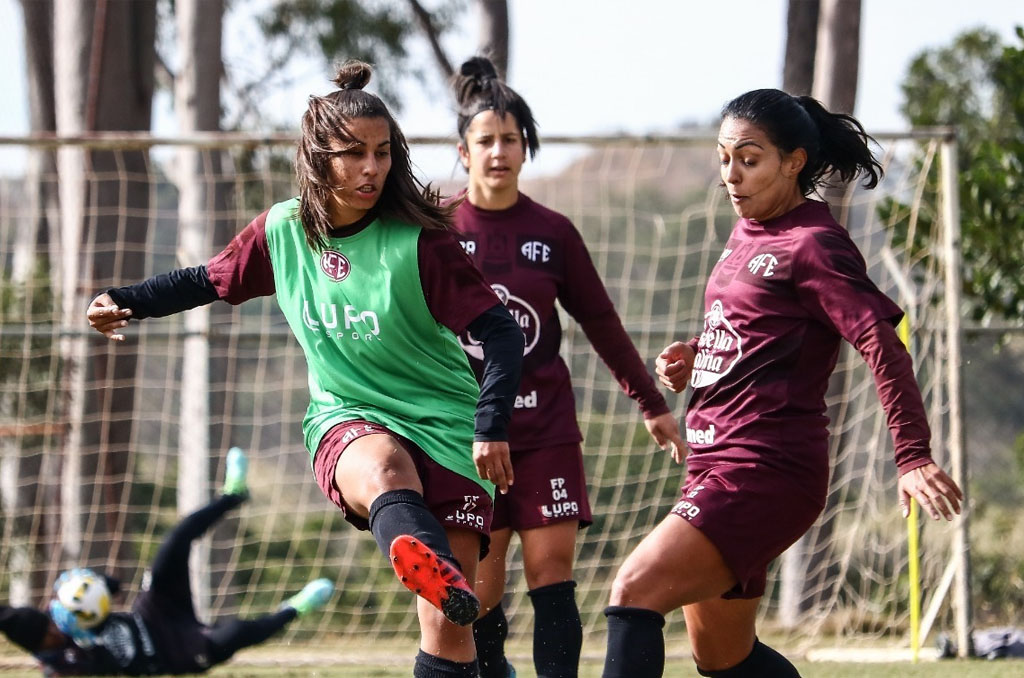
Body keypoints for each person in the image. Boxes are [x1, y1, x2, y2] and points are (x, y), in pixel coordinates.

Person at [85, 60, 525, 678]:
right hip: (348, 416)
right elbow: (204, 280)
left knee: (453, 629)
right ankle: (415, 550)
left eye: (383, 153)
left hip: (448, 425)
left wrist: (490, 423)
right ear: (320, 156)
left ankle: (437, 576)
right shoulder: (283, 231)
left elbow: (500, 334)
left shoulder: (419, 243)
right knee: (382, 466)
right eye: (354, 153)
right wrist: (123, 297)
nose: (373, 168)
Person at [600, 88, 965, 678]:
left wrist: (913, 454)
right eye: (724, 158)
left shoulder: (815, 245)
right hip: (715, 461)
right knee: (723, 658)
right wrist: (698, 358)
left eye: (749, 159)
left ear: (794, 162)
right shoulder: (747, 234)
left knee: (634, 588)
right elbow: (759, 333)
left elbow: (881, 340)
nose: (732, 175)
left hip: (765, 469)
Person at [450, 56, 685, 678]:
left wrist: (653, 404)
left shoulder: (552, 232)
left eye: (510, 140)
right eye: (486, 140)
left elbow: (601, 323)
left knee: (552, 577)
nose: (499, 151)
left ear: (526, 148)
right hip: (467, 436)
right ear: (463, 150)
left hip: (547, 430)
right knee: (483, 590)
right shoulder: (437, 231)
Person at [0, 448, 335, 676]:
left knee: (172, 546)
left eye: (50, 622)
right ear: (39, 645)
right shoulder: (61, 666)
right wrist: (81, 640)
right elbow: (92, 662)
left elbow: (111, 589)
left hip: (152, 612)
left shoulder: (58, 615)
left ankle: (233, 495)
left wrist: (94, 587)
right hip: (171, 653)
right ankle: (295, 608)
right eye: (48, 632)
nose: (54, 628)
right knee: (232, 634)